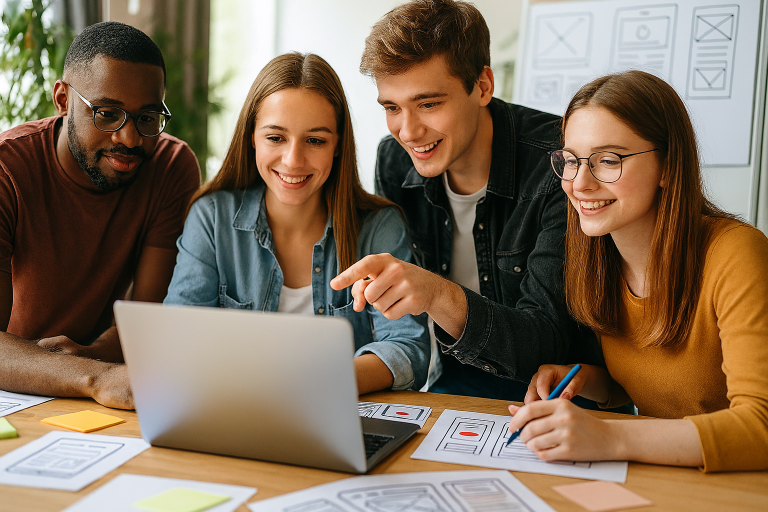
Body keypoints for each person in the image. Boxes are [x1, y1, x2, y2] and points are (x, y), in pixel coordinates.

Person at [509, 70, 768, 472]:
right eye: (572, 161)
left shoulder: (737, 253)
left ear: (667, 166)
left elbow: (761, 427)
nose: (580, 183)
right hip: (666, 478)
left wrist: (609, 436)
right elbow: (663, 385)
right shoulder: (598, 259)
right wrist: (589, 381)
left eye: (608, 160)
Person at [331, 0, 586, 401]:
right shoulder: (395, 160)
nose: (409, 131)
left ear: (482, 86)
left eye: (428, 104)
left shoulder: (559, 162)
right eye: (392, 108)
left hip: (561, 396)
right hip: (454, 386)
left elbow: (549, 343)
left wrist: (435, 293)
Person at [164, 52, 430, 394]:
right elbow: (178, 339)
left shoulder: (379, 227)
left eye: (315, 140)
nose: (293, 160)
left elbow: (408, 349)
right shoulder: (212, 217)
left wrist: (316, 383)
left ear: (337, 145)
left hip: (337, 416)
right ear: (252, 138)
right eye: (275, 138)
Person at [0, 22, 201, 409]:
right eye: (107, 113)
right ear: (62, 99)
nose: (130, 139)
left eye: (147, 117)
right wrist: (98, 376)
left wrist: (93, 357)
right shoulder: (8, 170)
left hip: (106, 385)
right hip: (16, 390)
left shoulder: (170, 165)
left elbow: (147, 318)